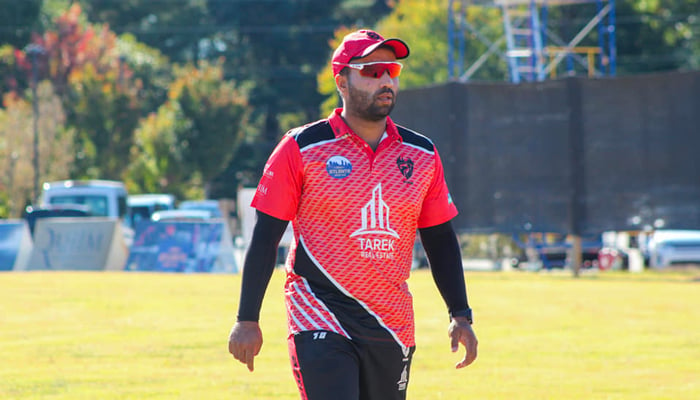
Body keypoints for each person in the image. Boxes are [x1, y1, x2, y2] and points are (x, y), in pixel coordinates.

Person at [228, 29, 478, 400]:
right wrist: (247, 318)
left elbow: (439, 237)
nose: (386, 80)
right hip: (318, 311)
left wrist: (460, 314)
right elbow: (266, 236)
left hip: (391, 323)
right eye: (372, 71)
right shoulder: (302, 147)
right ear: (341, 80)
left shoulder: (422, 154)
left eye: (392, 71)